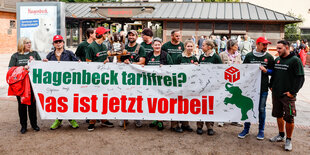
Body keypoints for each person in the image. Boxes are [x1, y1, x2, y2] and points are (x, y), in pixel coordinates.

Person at [269, 40, 304, 151]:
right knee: (278, 115)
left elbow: (300, 78)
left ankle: (288, 139)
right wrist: (271, 85)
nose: (277, 50)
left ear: (287, 47)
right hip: (276, 93)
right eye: (277, 48)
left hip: (287, 96)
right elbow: (274, 74)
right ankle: (281, 135)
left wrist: (292, 92)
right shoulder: (277, 60)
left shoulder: (295, 60)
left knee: (289, 117)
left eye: (280, 48)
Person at [238, 37, 275, 140]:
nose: (266, 46)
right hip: (250, 88)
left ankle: (261, 131)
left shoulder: (269, 57)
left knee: (261, 109)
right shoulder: (249, 56)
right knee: (247, 107)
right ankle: (246, 129)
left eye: (267, 45)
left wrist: (266, 71)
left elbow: (273, 72)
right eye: (264, 44)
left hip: (263, 88)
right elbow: (243, 70)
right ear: (258, 44)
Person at [45, 35, 80, 130]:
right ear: (53, 44)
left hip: (68, 82)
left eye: (60, 41)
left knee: (68, 100)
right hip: (55, 82)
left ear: (63, 43)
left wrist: (79, 63)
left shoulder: (69, 53)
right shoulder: (50, 55)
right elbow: (45, 68)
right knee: (57, 101)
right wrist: (44, 64)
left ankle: (71, 119)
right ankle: (58, 120)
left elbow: (78, 64)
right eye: (56, 42)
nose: (58, 43)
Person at [8, 37, 41, 134]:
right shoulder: (15, 56)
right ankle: (23, 126)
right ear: (22, 44)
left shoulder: (34, 54)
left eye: (30, 42)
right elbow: (10, 70)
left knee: (32, 105)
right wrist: (23, 68)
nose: (29, 44)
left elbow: (40, 66)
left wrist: (42, 62)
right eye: (27, 43)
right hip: (20, 86)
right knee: (22, 106)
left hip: (31, 85)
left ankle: (34, 125)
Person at [85, 27, 114, 131]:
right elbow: (88, 62)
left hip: (103, 77)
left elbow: (105, 58)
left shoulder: (104, 46)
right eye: (106, 33)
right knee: (94, 99)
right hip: (94, 77)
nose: (107, 35)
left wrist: (106, 60)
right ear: (102, 35)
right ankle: (92, 121)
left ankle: (103, 119)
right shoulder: (91, 47)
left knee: (104, 98)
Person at [119, 30, 146, 128]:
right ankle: (124, 117)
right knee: (124, 97)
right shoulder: (123, 47)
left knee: (136, 97)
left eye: (133, 35)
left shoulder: (140, 48)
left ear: (136, 36)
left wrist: (131, 64)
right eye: (129, 35)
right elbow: (118, 60)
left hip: (136, 77)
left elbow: (142, 62)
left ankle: (137, 117)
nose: (131, 37)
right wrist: (123, 61)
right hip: (124, 77)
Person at [145, 37, 173, 130]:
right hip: (151, 83)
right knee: (153, 101)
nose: (157, 46)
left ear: (161, 45)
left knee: (161, 102)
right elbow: (144, 67)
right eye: (155, 45)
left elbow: (171, 67)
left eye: (159, 44)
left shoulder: (165, 55)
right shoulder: (149, 55)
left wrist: (165, 68)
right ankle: (155, 119)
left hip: (162, 83)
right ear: (152, 45)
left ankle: (160, 120)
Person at [170, 40, 196, 133]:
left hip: (189, 85)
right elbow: (173, 69)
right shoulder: (179, 57)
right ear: (185, 46)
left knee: (186, 104)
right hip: (178, 84)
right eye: (188, 46)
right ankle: (174, 125)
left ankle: (185, 124)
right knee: (176, 103)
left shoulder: (194, 58)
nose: (190, 48)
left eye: (191, 46)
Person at [196, 39, 222, 135]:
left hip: (212, 86)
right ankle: (199, 125)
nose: (201, 46)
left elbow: (220, 70)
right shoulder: (202, 56)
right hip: (202, 85)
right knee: (201, 105)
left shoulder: (216, 57)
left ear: (209, 47)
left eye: (203, 45)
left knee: (210, 106)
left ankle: (210, 126)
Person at [219, 39, 242, 127]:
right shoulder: (222, 55)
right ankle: (222, 119)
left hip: (235, 81)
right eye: (236, 45)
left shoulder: (238, 55)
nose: (237, 47)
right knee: (224, 99)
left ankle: (235, 119)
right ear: (231, 46)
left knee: (235, 100)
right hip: (224, 81)